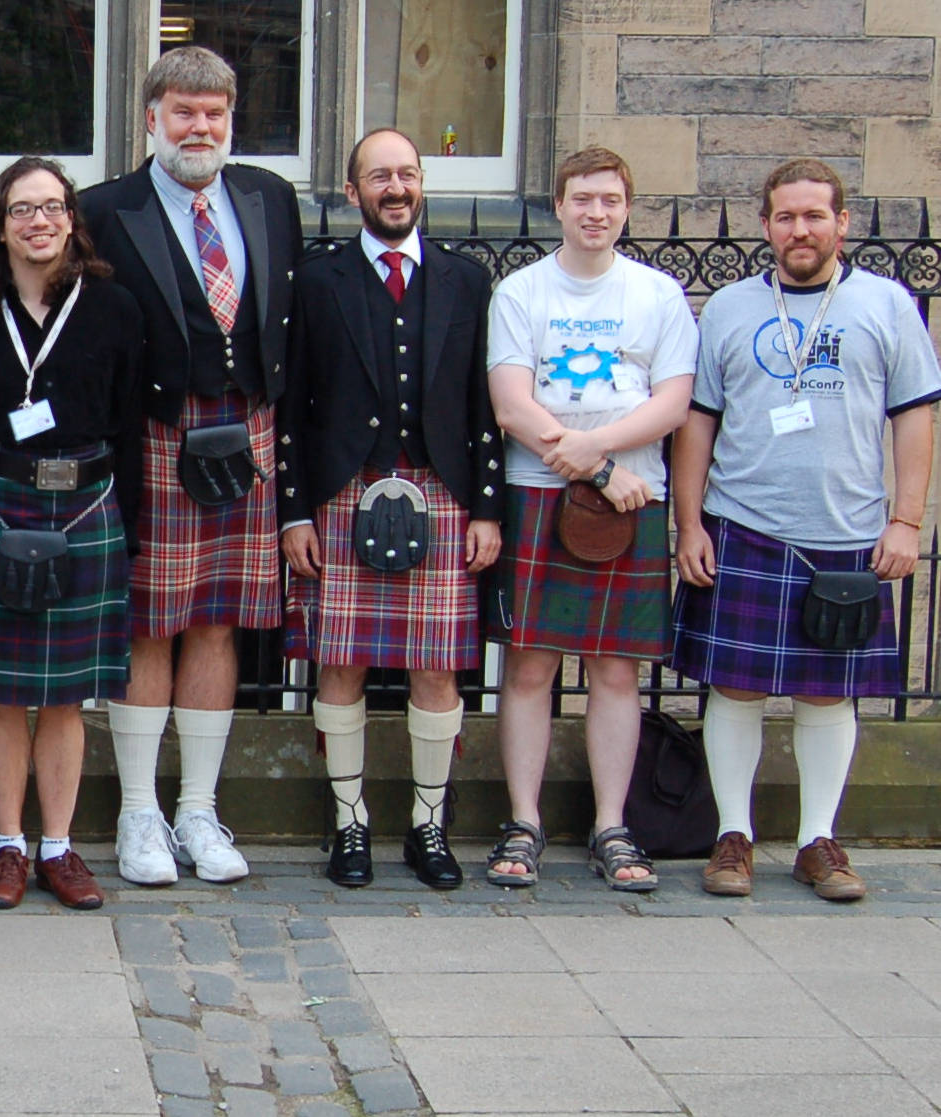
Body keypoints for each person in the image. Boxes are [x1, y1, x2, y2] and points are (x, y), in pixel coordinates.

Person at [671, 158, 941, 902]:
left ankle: (817, 837)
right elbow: (697, 424)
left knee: (828, 694)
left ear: (841, 222)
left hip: (847, 530)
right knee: (735, 686)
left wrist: (906, 518)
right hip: (743, 523)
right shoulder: (726, 306)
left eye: (814, 216)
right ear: (764, 225)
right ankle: (734, 836)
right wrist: (688, 523)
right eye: (785, 216)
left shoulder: (886, 306)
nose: (800, 229)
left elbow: (913, 416)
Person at [81, 46, 301, 886]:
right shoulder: (106, 208)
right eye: (183, 112)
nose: (199, 128)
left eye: (213, 114)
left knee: (220, 619)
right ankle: (139, 812)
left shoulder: (268, 198)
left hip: (247, 430)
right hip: (155, 433)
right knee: (148, 618)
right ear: (151, 119)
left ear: (230, 119)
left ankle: (199, 811)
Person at [278, 128, 503, 889]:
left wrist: (485, 509)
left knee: (437, 668)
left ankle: (427, 827)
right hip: (343, 491)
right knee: (337, 663)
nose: (395, 187)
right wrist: (295, 511)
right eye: (379, 176)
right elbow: (292, 409)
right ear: (353, 192)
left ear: (421, 184)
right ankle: (349, 824)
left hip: (440, 492)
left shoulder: (466, 280)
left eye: (406, 174)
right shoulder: (315, 281)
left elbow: (483, 401)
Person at [485, 146, 698, 890]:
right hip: (537, 494)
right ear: (560, 205)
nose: (595, 212)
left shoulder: (658, 294)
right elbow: (511, 404)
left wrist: (597, 453)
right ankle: (523, 820)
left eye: (608, 199)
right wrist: (596, 466)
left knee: (615, 669)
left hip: (632, 496)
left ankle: (611, 823)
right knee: (530, 663)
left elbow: (671, 402)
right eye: (581, 198)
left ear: (626, 207)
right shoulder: (521, 292)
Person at [0, 157, 143, 910]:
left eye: (52, 207)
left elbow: (128, 423)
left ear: (70, 219)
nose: (40, 222)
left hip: (87, 505)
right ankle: (7, 846)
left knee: (67, 695)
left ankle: (58, 845)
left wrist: (135, 528)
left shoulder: (114, 309)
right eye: (23, 209)